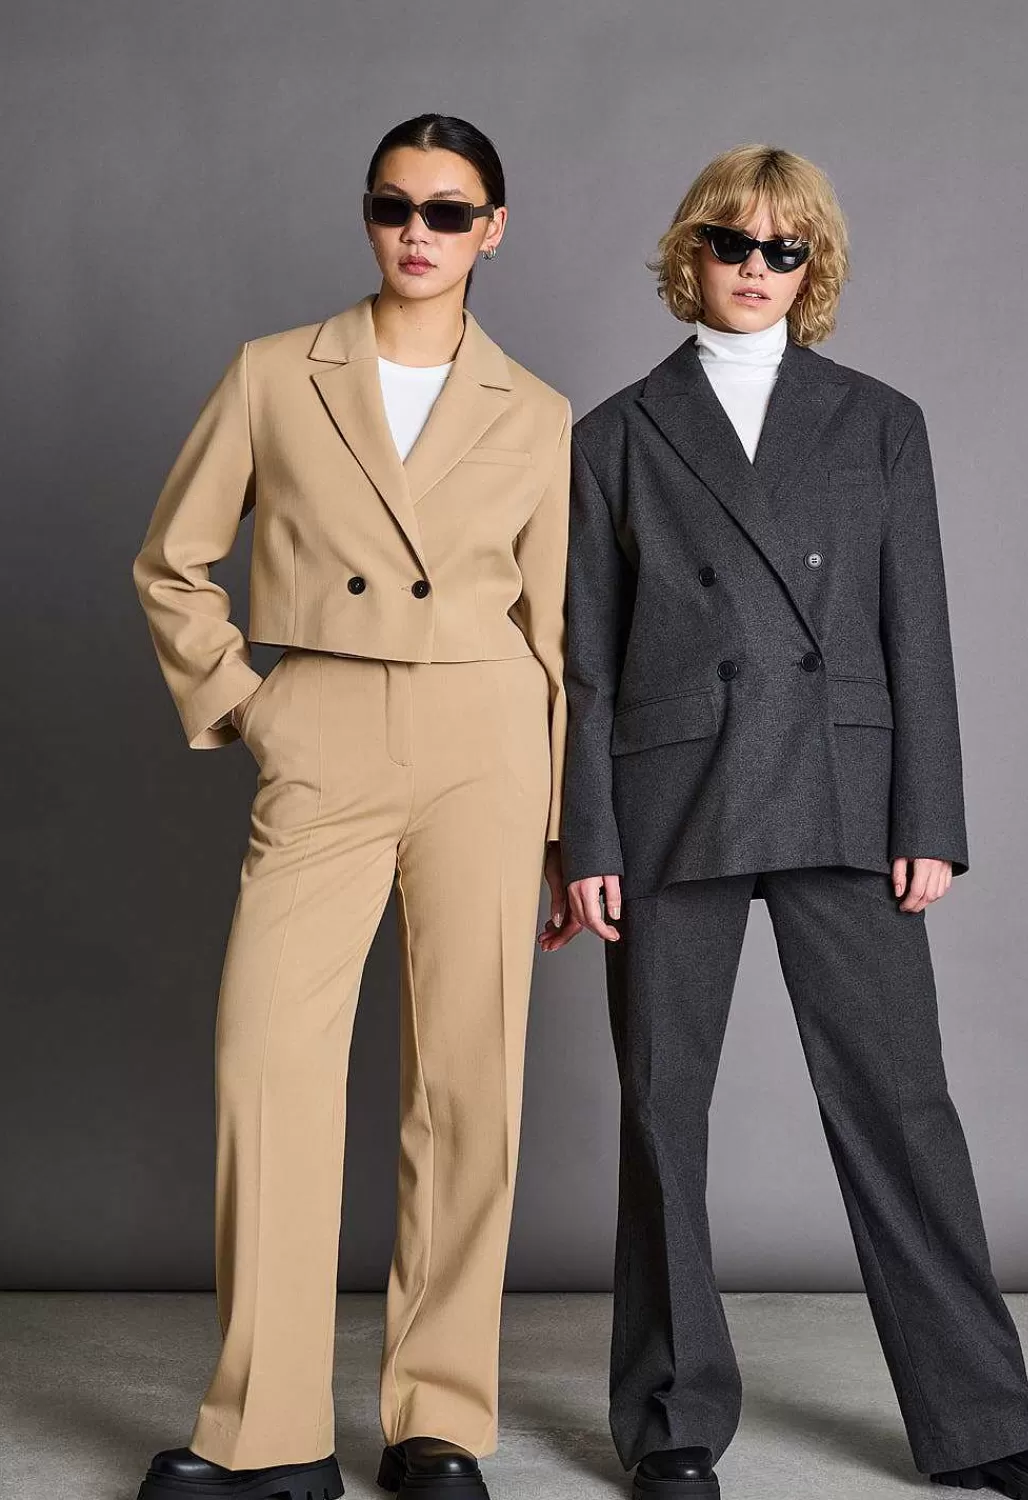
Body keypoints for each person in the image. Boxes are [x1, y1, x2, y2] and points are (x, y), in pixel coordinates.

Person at [553, 144, 1028, 1500]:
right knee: (661, 1113)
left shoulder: (879, 421)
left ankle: (986, 1418)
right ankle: (671, 1421)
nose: (755, 268)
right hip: (671, 791)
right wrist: (587, 841)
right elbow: (585, 662)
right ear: (690, 255)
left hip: (842, 789)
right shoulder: (615, 436)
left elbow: (917, 633)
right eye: (731, 243)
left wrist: (929, 814)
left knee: (901, 1101)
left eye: (783, 249)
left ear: (813, 268)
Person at [131, 113, 571, 1500]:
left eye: (449, 211)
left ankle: (439, 1424)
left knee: (466, 1084)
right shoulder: (275, 372)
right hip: (322, 726)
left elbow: (561, 634)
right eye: (395, 206)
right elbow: (172, 562)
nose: (418, 234)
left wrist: (570, 829)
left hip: (487, 738)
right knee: (269, 1062)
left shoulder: (537, 411)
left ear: (493, 229)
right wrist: (249, 704)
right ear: (368, 216)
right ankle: (268, 1434)